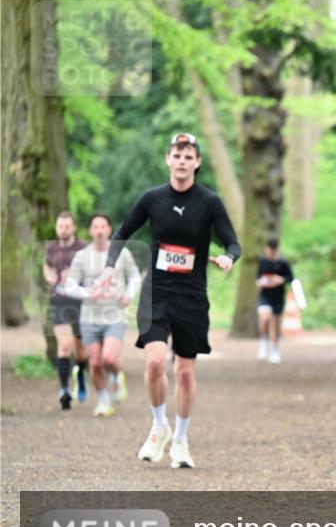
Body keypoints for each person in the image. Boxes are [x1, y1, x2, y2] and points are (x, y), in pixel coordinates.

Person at [98, 132, 240, 468]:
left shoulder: (209, 202)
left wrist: (229, 258)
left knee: (186, 373)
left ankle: (181, 439)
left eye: (189, 156)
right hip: (156, 292)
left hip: (191, 296)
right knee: (154, 363)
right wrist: (108, 268)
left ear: (197, 163)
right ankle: (159, 425)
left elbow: (232, 242)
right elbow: (122, 232)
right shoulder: (152, 199)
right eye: (177, 155)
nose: (182, 161)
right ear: (168, 160)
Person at [62, 214, 142, 417]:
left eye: (103, 227)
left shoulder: (121, 254)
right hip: (89, 317)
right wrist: (88, 293)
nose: (99, 231)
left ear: (109, 230)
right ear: (90, 231)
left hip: (115, 315)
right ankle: (104, 400)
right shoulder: (82, 256)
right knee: (95, 362)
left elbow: (134, 276)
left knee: (109, 358)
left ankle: (116, 376)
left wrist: (129, 295)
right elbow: (69, 285)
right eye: (95, 227)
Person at [44, 212, 88, 410]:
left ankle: (80, 377)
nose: (63, 230)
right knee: (65, 345)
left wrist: (75, 275)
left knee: (80, 351)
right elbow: (46, 266)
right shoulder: (51, 248)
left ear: (74, 227)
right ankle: (64, 390)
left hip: (80, 303)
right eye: (60, 226)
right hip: (59, 302)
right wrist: (50, 276)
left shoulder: (83, 248)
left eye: (67, 226)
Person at [255, 238, 294, 364]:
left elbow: (290, 277)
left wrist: (280, 279)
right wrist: (261, 282)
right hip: (265, 295)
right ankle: (263, 341)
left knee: (276, 323)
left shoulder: (283, 262)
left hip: (278, 295)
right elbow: (258, 277)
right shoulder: (262, 261)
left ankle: (275, 349)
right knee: (264, 317)